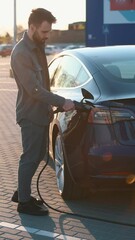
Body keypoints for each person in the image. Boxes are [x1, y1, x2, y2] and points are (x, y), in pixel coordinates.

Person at [10, 8, 75, 216]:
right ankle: (24, 202)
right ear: (32, 28)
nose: (47, 36)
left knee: (38, 154)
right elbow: (34, 89)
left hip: (40, 112)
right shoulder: (21, 53)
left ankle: (23, 191)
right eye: (44, 31)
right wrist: (61, 101)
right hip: (30, 115)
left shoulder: (36, 47)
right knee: (30, 157)